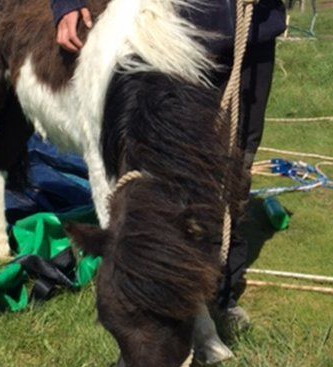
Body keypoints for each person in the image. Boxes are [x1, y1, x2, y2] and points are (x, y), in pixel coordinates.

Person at [50, 0, 286, 327]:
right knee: (168, 169)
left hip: (253, 30)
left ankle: (219, 289)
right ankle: (161, 285)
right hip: (174, 31)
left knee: (237, 163)